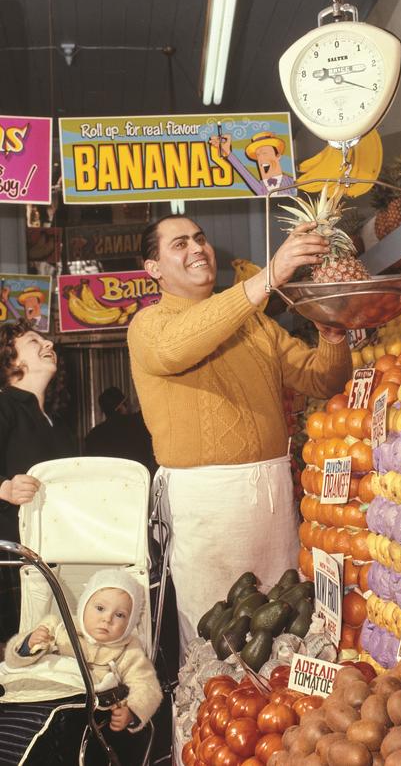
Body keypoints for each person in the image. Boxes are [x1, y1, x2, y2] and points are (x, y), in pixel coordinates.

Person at [127, 214, 352, 653]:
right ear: (152, 268)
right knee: (216, 639)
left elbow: (320, 380)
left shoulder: (256, 324)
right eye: (179, 244)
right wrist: (268, 278)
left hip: (271, 494)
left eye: (200, 238)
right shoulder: (148, 326)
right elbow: (179, 346)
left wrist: (333, 335)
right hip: (205, 503)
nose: (196, 248)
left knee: (285, 622)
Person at [0, 568, 162, 766]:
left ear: (130, 622)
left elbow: (148, 686)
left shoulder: (128, 650)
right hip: (34, 690)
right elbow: (13, 662)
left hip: (74, 706)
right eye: (100, 608)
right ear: (84, 605)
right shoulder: (61, 628)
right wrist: (29, 644)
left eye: (120, 615)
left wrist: (133, 711)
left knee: (39, 731)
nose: (107, 619)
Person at [0, 320, 73, 644]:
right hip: (11, 562)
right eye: (33, 341)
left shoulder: (57, 424)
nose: (48, 345)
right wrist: (5, 488)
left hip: (53, 559)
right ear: (11, 361)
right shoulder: (3, 405)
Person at [84, 386, 156, 474]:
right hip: (139, 482)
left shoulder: (92, 436)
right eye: (127, 403)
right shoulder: (138, 423)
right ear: (121, 406)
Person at [210, 131, 294, 195]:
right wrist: (228, 152)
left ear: (278, 156)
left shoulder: (292, 183)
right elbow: (244, 173)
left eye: (265, 153)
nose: (261, 159)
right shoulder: (261, 187)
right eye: (258, 155)